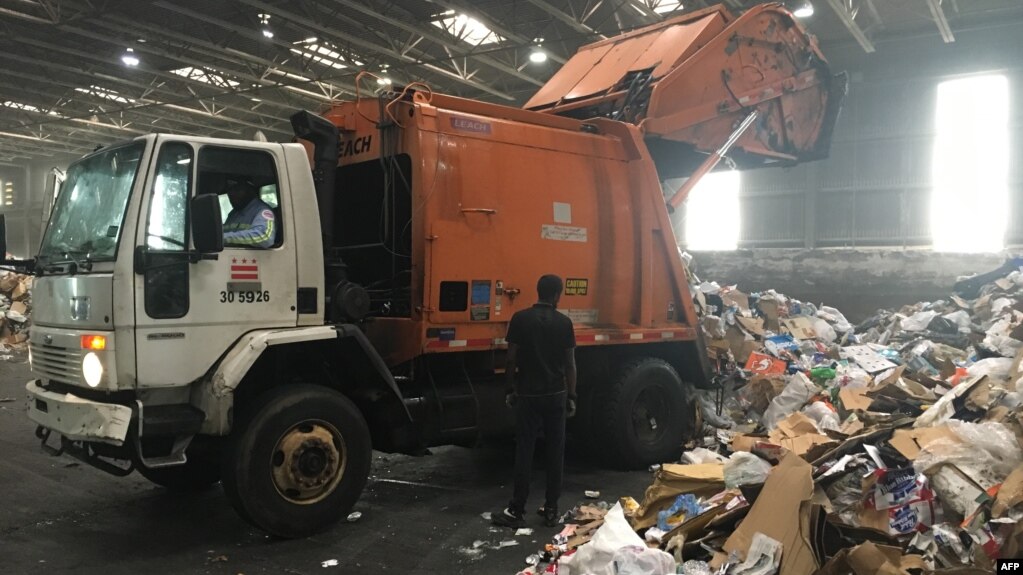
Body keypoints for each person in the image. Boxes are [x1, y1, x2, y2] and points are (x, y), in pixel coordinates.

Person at [492, 274, 577, 529]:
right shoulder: (564, 323)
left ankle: (517, 509)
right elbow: (570, 364)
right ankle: (551, 509)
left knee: (525, 451)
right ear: (556, 295)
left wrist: (509, 388)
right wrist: (572, 395)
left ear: (538, 292)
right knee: (555, 452)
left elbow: (510, 359)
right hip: (555, 396)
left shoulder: (520, 319)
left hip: (528, 396)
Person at [222, 181, 276, 248]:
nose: (232, 194)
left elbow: (264, 237)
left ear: (250, 190)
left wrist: (223, 238)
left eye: (237, 189)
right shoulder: (234, 213)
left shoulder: (263, 211)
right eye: (229, 190)